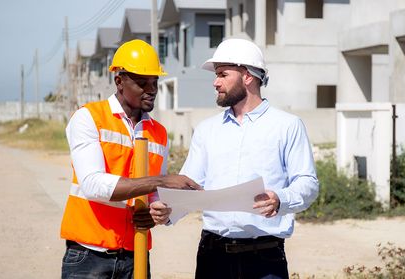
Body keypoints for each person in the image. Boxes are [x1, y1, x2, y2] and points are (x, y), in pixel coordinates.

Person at [151, 38, 319, 278]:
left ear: (248, 76)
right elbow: (190, 186)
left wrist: (280, 199)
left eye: (222, 74)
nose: (215, 82)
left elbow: (308, 183)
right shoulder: (206, 130)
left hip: (265, 258)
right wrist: (169, 210)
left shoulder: (287, 126)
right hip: (212, 256)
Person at [60, 39, 201, 279]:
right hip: (89, 255)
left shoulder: (159, 133)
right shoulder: (89, 118)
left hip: (135, 253)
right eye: (142, 82)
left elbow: (155, 194)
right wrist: (163, 181)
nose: (152, 89)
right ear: (119, 81)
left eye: (155, 81)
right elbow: (93, 186)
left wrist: (160, 211)